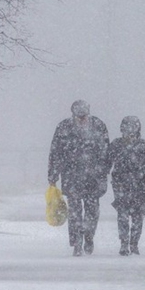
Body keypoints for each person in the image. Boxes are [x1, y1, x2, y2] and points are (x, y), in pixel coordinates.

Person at [48, 100, 110, 256]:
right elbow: (55, 152)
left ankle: (89, 236)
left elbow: (106, 151)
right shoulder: (63, 127)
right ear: (73, 114)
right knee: (74, 211)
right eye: (79, 116)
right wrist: (53, 175)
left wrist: (103, 170)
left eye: (84, 116)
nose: (82, 119)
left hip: (93, 178)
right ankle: (76, 241)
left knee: (92, 211)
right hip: (72, 176)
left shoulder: (99, 125)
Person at [108, 116, 145, 256]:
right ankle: (124, 243)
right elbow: (106, 162)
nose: (130, 131)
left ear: (138, 129)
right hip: (121, 186)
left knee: (138, 216)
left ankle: (134, 244)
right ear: (122, 129)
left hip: (140, 186)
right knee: (122, 215)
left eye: (133, 127)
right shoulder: (116, 145)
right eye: (127, 127)